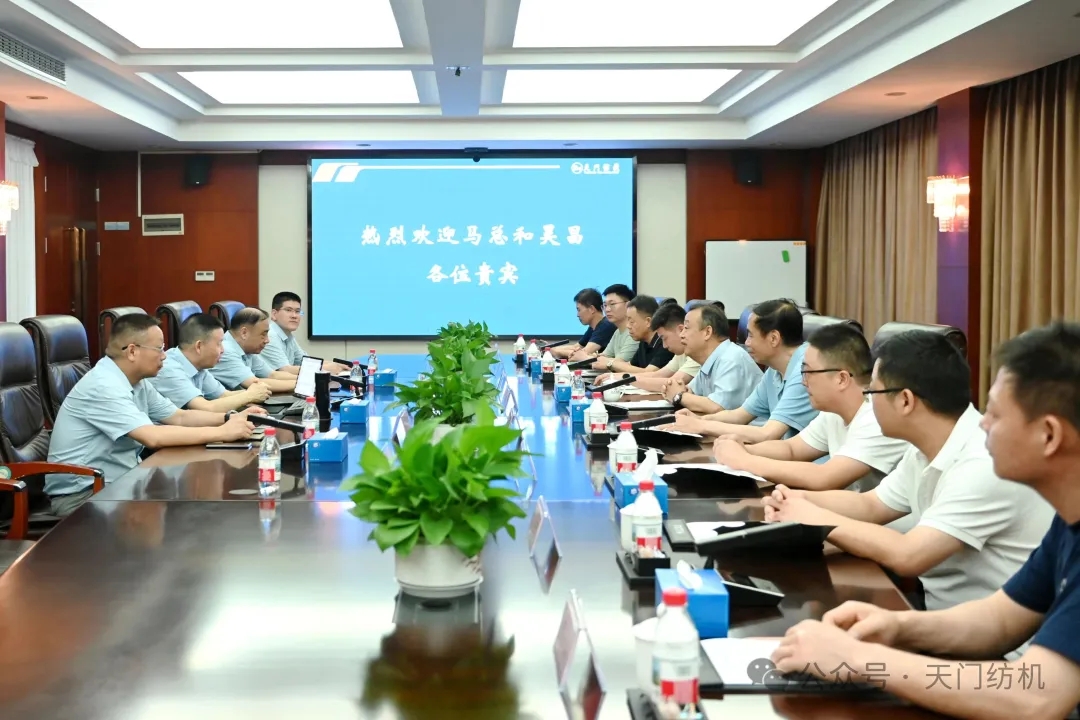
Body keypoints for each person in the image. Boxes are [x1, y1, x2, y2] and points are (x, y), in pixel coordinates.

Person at [769, 322, 1080, 720]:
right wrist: (897, 626)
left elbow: (1035, 697)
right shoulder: (1068, 524)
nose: (983, 423)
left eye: (996, 414)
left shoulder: (981, 466)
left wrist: (858, 659)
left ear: (1049, 435)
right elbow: (1000, 620)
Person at [762, 329, 1053, 612]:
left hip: (986, 635)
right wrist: (798, 501)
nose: (867, 401)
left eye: (872, 391)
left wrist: (815, 518)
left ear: (905, 400)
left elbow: (909, 554)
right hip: (941, 616)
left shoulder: (981, 463)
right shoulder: (925, 448)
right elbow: (871, 505)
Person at [44, 314, 256, 517]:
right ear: (132, 351)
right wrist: (222, 432)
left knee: (185, 507)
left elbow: (179, 417)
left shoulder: (137, 382)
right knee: (180, 514)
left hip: (120, 481)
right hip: (83, 494)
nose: (164, 356)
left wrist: (230, 418)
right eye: (159, 349)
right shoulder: (104, 386)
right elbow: (152, 437)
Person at [714, 323, 909, 491]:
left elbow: (824, 476)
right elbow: (792, 449)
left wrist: (745, 460)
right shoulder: (834, 412)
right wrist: (743, 448)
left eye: (808, 372)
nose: (803, 382)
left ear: (841, 379)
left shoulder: (876, 417)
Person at [667, 298, 817, 442]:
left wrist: (701, 425)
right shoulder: (774, 371)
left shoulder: (805, 370)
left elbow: (767, 434)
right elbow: (739, 415)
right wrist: (699, 420)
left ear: (774, 338)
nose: (746, 342)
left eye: (751, 335)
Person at [150, 313, 273, 412]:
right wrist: (249, 395)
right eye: (219, 344)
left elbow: (223, 395)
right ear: (199, 346)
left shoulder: (199, 367)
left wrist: (255, 392)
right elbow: (206, 408)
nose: (223, 350)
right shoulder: (169, 369)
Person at [659, 304, 761, 414]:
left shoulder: (731, 359)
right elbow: (690, 392)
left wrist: (678, 396)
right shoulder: (709, 360)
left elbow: (718, 407)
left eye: (686, 328)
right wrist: (675, 390)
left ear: (707, 332)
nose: (681, 335)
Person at [603, 302, 700, 393]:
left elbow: (672, 383)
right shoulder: (680, 354)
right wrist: (617, 376)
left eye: (664, 338)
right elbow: (657, 375)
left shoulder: (697, 353)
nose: (664, 345)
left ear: (681, 330)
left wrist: (626, 379)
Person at [210, 307, 299, 394]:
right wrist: (302, 385)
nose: (267, 340)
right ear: (244, 333)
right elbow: (255, 384)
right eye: (263, 334)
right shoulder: (225, 351)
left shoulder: (247, 349)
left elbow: (273, 375)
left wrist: (304, 380)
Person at [261, 291, 349, 374]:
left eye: (297, 311)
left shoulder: (288, 336)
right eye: (288, 310)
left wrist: (336, 365)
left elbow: (306, 361)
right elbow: (285, 370)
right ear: (274, 314)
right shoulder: (269, 336)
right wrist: (325, 368)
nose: (294, 316)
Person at [595, 295, 674, 376]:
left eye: (632, 322)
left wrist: (611, 364)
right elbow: (630, 366)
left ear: (648, 321)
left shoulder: (664, 342)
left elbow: (650, 373)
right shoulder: (644, 342)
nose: (628, 326)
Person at [557, 288, 616, 360]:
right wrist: (551, 349)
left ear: (592, 309)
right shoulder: (593, 327)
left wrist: (556, 352)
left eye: (579, 310)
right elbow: (576, 347)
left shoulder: (606, 326)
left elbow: (583, 354)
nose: (577, 315)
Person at [590, 284, 639, 368]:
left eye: (612, 304)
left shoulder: (634, 332)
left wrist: (586, 357)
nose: (607, 309)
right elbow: (604, 356)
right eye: (605, 305)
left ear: (628, 305)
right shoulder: (617, 331)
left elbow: (619, 363)